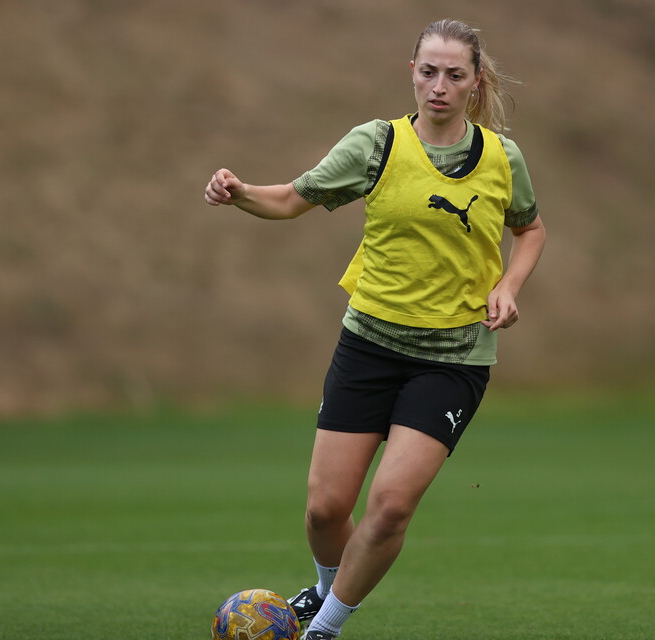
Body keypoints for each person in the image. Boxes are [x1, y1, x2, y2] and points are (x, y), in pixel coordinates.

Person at [204, 18, 546, 640]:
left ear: (474, 83)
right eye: (428, 72)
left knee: (389, 508)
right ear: (410, 73)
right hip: (368, 345)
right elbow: (290, 199)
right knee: (326, 509)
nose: (438, 85)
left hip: (455, 358)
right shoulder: (376, 145)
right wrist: (238, 191)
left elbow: (530, 229)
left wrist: (507, 286)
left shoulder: (501, 157)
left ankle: (324, 628)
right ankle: (325, 587)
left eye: (454, 75)